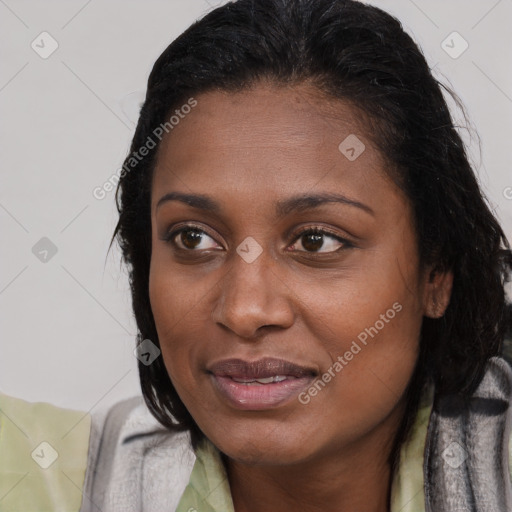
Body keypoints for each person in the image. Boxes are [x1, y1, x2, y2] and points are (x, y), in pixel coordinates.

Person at [1, 0, 512, 511]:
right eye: (193, 238)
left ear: (437, 272)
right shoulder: (43, 481)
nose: (245, 310)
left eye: (317, 241)